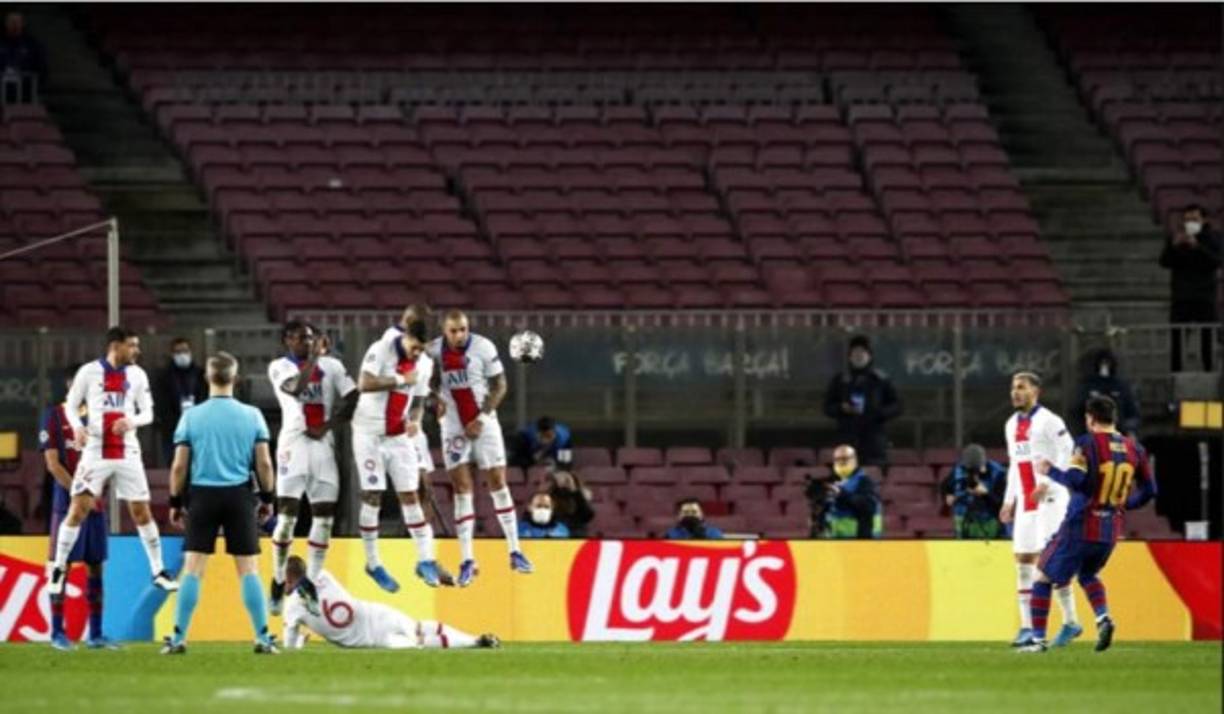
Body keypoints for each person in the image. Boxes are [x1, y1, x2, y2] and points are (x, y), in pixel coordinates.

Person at [1020, 396, 1158, 653]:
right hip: (1110, 530)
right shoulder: (1134, 449)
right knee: (1087, 575)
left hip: (1081, 525)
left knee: (1042, 577)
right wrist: (1124, 504)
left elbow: (1076, 481)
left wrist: (1050, 470)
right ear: (1113, 418)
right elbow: (1150, 490)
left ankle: (1038, 642)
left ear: (1090, 418)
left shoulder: (1086, 444)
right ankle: (1103, 618)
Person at [162, 352, 278, 655]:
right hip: (239, 496)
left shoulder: (191, 417)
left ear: (207, 378)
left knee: (193, 568)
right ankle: (263, 637)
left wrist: (175, 501)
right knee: (248, 569)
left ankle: (178, 637)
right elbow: (264, 463)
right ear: (235, 379)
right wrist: (267, 498)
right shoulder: (253, 415)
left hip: (202, 495)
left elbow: (179, 466)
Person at [48, 327, 177, 597]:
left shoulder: (138, 375)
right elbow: (71, 405)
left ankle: (158, 571)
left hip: (127, 451)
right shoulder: (89, 372)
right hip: (95, 450)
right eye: (132, 345)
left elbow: (149, 413)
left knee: (141, 512)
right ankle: (58, 567)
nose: (137, 350)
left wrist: (132, 421)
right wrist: (78, 427)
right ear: (115, 346)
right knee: (78, 509)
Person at [428, 310, 532, 587]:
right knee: (462, 489)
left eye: (463, 329)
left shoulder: (484, 347)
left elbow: (500, 385)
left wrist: (481, 419)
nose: (459, 335)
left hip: (485, 423)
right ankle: (467, 561)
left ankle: (515, 551)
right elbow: (427, 382)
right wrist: (435, 399)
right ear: (444, 331)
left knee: (498, 482)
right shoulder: (432, 351)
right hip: (453, 426)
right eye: (454, 331)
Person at [266, 321, 358, 615]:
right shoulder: (279, 366)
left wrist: (329, 425)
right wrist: (316, 357)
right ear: (287, 340)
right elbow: (296, 389)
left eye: (309, 338)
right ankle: (278, 579)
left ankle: (311, 583)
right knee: (287, 519)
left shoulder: (333, 366)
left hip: (323, 446)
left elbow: (354, 397)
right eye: (299, 338)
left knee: (325, 518)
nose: (305, 342)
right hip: (293, 445)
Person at [352, 310, 438, 591]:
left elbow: (419, 399)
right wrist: (401, 380)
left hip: (398, 435)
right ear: (406, 336)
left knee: (411, 495)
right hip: (369, 434)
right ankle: (373, 563)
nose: (416, 354)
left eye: (422, 349)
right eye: (414, 347)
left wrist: (415, 419)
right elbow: (364, 383)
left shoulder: (425, 363)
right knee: (372, 496)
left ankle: (425, 560)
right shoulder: (382, 348)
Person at [999, 372, 1080, 648]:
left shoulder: (1050, 421)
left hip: (1051, 499)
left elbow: (1069, 451)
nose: (1015, 392)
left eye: (1021, 387)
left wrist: (1047, 482)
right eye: (1013, 387)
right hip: (1026, 500)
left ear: (1036, 391)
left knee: (1050, 561)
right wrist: (1009, 501)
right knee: (1023, 560)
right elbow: (1015, 464)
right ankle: (1026, 627)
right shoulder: (1011, 424)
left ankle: (1070, 621)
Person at [40, 364, 115, 651]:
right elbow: (52, 464)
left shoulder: (100, 418)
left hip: (96, 503)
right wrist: (80, 492)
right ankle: (57, 633)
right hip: (67, 503)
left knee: (96, 566)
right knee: (61, 564)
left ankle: (95, 634)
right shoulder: (54, 416)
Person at [281, 556, 498, 650]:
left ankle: (475, 642)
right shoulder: (323, 574)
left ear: (288, 578)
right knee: (420, 627)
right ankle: (475, 639)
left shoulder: (292, 608)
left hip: (372, 639)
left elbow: (289, 648)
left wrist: (298, 642)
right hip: (376, 614)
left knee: (420, 643)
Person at [822, 335, 902, 466]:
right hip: (847, 440)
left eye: (862, 352)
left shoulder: (880, 380)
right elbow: (827, 407)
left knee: (872, 475)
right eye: (855, 353)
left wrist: (879, 412)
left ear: (869, 356)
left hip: (874, 443)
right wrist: (842, 408)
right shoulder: (840, 380)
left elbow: (897, 406)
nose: (858, 356)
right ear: (849, 357)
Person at [1159, 204, 1221, 372]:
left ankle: (1209, 372)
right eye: (1187, 219)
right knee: (1177, 340)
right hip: (1181, 297)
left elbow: (1216, 261)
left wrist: (1197, 247)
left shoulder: (1213, 238)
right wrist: (1174, 246)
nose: (1190, 223)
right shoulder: (1176, 237)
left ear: (1204, 220)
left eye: (1194, 219)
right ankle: (1176, 374)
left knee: (1207, 339)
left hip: (1205, 297)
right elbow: (1164, 262)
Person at [154, 337, 208, 466]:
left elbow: (205, 397)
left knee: (197, 463)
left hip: (198, 425)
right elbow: (160, 402)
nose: (182, 355)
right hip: (172, 427)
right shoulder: (164, 376)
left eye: (185, 351)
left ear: (190, 352)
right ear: (172, 354)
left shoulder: (201, 374)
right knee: (174, 463)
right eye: (178, 352)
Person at [939, 444, 1006, 539]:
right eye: (970, 470)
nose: (974, 473)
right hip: (963, 520)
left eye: (976, 469)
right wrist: (948, 496)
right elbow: (945, 486)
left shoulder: (998, 473)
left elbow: (1002, 505)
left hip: (989, 523)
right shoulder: (959, 470)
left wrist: (985, 494)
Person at [1071, 349, 1140, 437]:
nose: (1104, 367)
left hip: (1118, 433)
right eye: (1102, 363)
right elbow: (1076, 413)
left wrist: (1129, 430)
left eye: (1107, 363)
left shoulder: (1121, 386)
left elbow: (1133, 414)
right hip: (1092, 435)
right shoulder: (1087, 386)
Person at [817, 445, 882, 539]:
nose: (841, 462)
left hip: (860, 541)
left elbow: (868, 506)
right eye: (837, 459)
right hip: (838, 541)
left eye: (845, 459)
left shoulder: (864, 481)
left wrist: (842, 494)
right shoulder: (838, 483)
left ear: (854, 460)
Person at [0, 12, 46, 101]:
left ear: (22, 23)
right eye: (11, 22)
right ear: (6, 23)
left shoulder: (32, 43)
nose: (14, 25)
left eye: (17, 22)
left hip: (26, 91)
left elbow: (41, 66)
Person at [547, 469, 595, 537]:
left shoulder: (581, 495)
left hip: (576, 534)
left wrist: (574, 491)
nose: (563, 482)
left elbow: (588, 515)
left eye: (567, 480)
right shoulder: (550, 496)